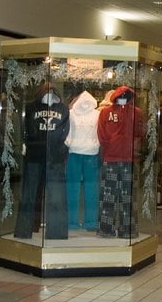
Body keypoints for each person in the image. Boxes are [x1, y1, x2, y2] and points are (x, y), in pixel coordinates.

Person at [13, 83, 70, 239]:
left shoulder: (63, 109)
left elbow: (66, 132)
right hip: (34, 156)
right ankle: (24, 230)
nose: (49, 94)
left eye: (52, 92)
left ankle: (57, 233)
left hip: (55, 158)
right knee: (29, 195)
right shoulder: (31, 108)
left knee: (56, 196)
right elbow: (27, 130)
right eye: (46, 92)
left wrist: (61, 150)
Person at [97, 85, 143, 238]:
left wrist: (133, 149)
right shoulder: (105, 112)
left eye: (126, 95)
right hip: (111, 158)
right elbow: (101, 135)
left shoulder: (137, 113)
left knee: (128, 197)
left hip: (129, 159)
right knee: (108, 195)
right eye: (121, 95)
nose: (123, 97)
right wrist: (110, 145)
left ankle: (127, 229)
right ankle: (106, 228)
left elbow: (139, 133)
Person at [65, 91, 101, 231]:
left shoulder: (96, 114)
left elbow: (100, 131)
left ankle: (79, 222)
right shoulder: (72, 113)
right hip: (81, 152)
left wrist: (70, 143)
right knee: (83, 188)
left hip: (83, 152)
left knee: (81, 188)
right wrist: (70, 143)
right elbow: (67, 130)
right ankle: (81, 222)